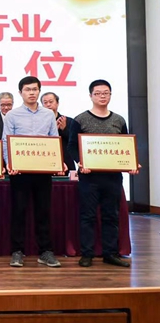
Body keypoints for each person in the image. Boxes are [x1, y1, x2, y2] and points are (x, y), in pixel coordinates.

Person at [68, 80, 140, 268]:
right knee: (88, 216)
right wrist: (81, 162)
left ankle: (110, 253)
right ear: (90, 96)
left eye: (106, 93)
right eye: (98, 93)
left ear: (110, 95)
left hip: (113, 177)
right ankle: (87, 254)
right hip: (89, 177)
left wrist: (132, 164)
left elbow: (125, 146)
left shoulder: (119, 120)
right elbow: (72, 146)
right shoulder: (80, 119)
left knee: (111, 216)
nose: (102, 96)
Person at [3, 76, 63, 268]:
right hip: (20, 172)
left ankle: (45, 252)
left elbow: (54, 139)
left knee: (43, 212)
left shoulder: (48, 115)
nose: (31, 93)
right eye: (27, 90)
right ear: (20, 93)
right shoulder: (12, 115)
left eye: (35, 89)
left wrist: (57, 162)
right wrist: (9, 163)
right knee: (18, 212)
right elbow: (6, 141)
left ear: (39, 91)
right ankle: (17, 251)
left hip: (43, 171)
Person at [41, 92, 75, 175]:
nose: (48, 105)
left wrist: (64, 130)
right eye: (45, 103)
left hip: (66, 161)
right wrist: (53, 131)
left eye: (51, 102)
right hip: (45, 161)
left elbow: (75, 142)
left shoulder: (68, 121)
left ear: (57, 103)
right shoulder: (39, 122)